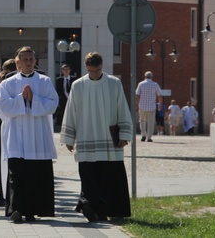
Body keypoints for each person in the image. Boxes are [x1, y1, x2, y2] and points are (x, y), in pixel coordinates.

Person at [60, 51, 132, 222]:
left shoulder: (114, 83)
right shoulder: (78, 85)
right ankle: (93, 209)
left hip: (109, 140)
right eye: (91, 71)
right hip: (86, 137)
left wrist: (124, 134)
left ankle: (114, 209)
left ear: (102, 66)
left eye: (97, 70)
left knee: (111, 177)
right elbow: (71, 111)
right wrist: (69, 138)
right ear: (86, 67)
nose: (94, 74)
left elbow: (122, 107)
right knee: (89, 178)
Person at [0, 46, 58, 223]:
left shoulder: (44, 81)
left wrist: (33, 99)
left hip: (38, 137)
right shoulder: (7, 83)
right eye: (25, 59)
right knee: (17, 175)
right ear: (18, 62)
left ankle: (32, 211)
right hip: (16, 136)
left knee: (36, 176)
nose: (28, 62)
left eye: (31, 59)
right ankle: (16, 209)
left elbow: (53, 104)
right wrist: (21, 99)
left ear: (35, 61)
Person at [135, 71, 162, 142]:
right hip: (151, 106)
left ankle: (143, 135)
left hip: (142, 105)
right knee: (151, 122)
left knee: (142, 121)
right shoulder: (155, 84)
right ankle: (149, 137)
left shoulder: (140, 84)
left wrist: (137, 105)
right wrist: (160, 104)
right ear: (152, 77)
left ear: (144, 76)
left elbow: (137, 96)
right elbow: (159, 95)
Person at [55, 64, 76, 128]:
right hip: (63, 100)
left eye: (67, 69)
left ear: (69, 70)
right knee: (63, 113)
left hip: (72, 99)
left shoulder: (74, 79)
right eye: (64, 70)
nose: (66, 71)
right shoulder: (59, 80)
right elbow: (57, 90)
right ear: (62, 71)